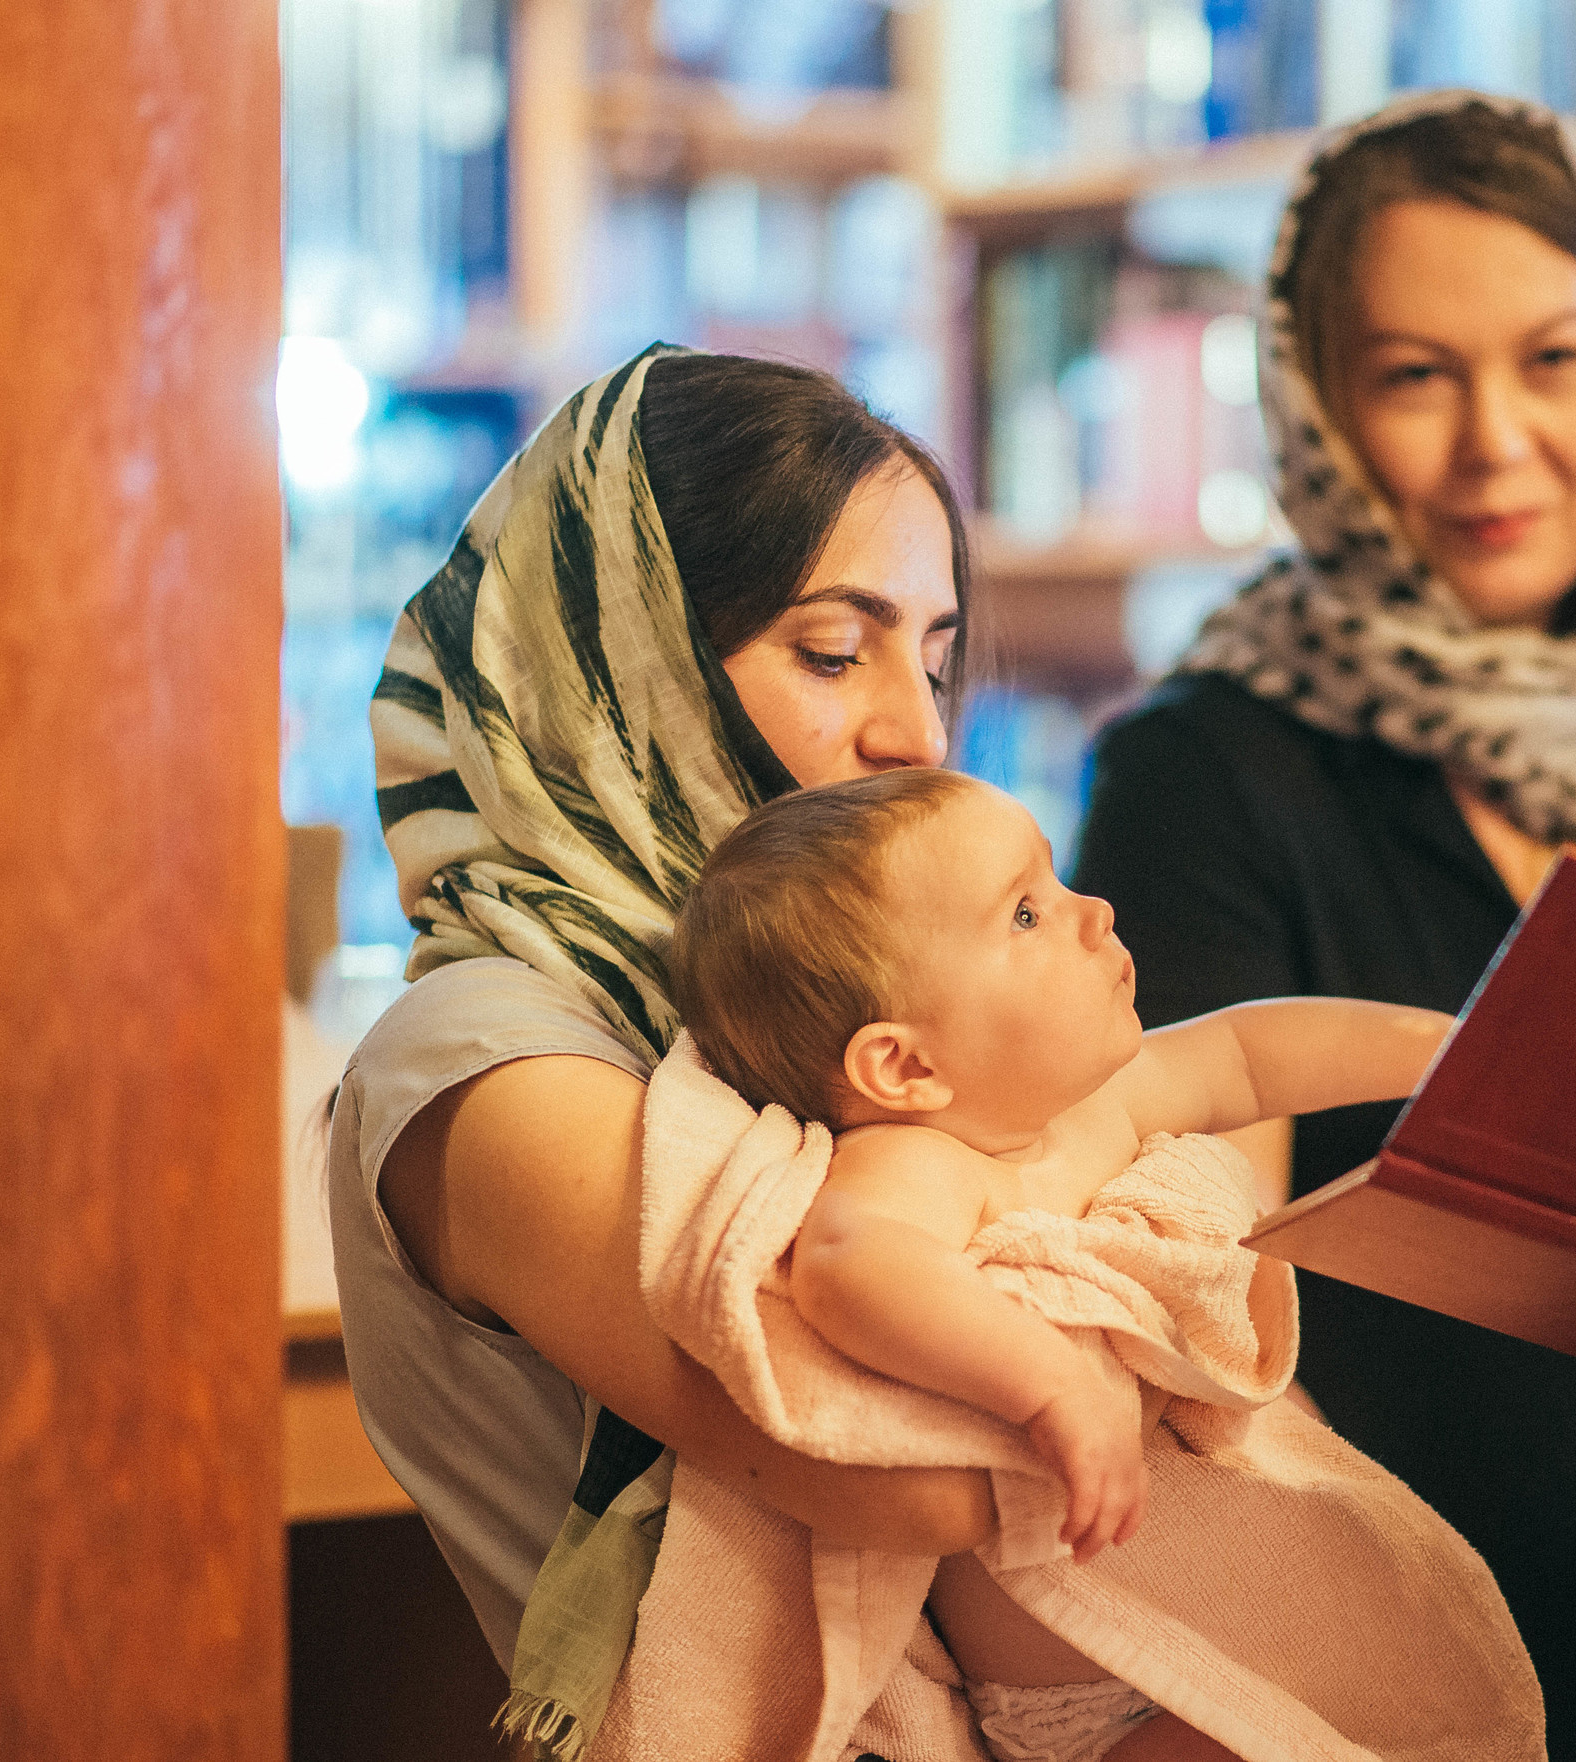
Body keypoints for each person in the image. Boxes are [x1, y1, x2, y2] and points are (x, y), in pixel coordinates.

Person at [1072, 92, 1576, 1762]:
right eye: (1417, 375)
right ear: (1323, 413)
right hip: (1347, 1709)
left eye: (1554, 358)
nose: (1497, 438)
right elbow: (1200, 1319)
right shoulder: (1204, 774)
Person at [326, 346, 1011, 1755]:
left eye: (936, 663)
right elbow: (905, 1470)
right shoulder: (483, 1055)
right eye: (833, 650)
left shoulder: (806, 1025)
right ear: (612, 659)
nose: (918, 733)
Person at [650, 767, 1536, 1761]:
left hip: (1240, 1648)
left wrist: (1446, 1052)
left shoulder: (1095, 1108)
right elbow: (855, 1261)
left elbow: (1253, 1053)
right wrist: (1052, 1383)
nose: (1093, 910)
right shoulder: (918, 1161)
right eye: (1025, 913)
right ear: (903, 1067)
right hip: (1093, 1703)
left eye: (1056, 879)